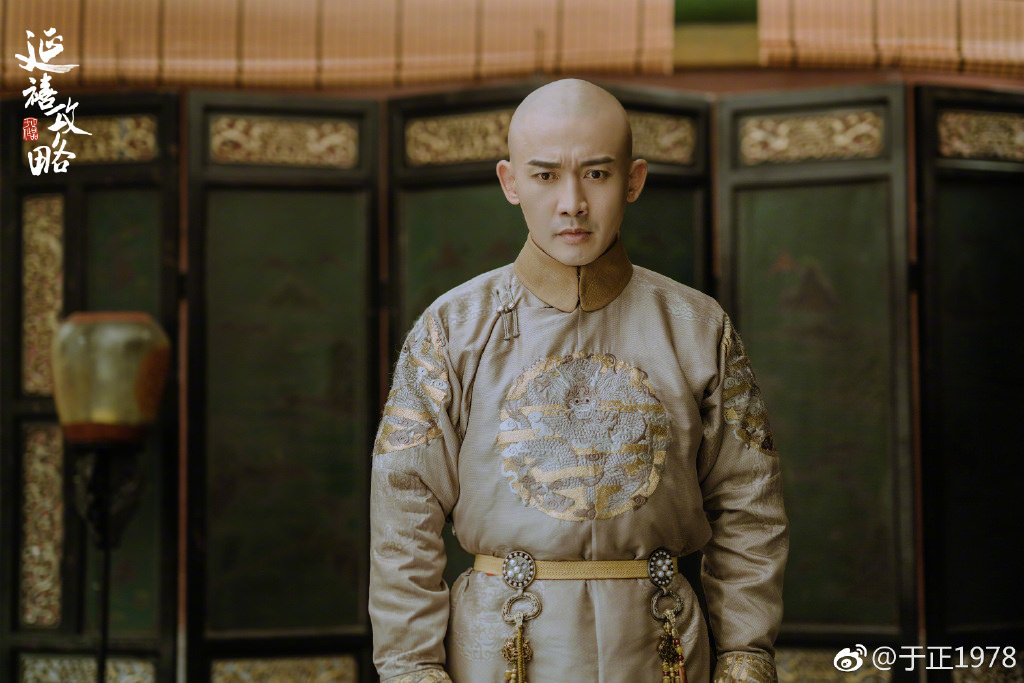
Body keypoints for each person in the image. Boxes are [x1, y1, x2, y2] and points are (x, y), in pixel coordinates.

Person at [369, 79, 788, 683]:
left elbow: (750, 504)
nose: (572, 202)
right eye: (545, 175)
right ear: (510, 182)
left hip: (662, 649)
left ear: (634, 180)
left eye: (596, 174)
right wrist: (411, 668)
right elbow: (403, 512)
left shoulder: (696, 326)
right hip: (499, 652)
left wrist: (745, 654)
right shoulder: (454, 328)